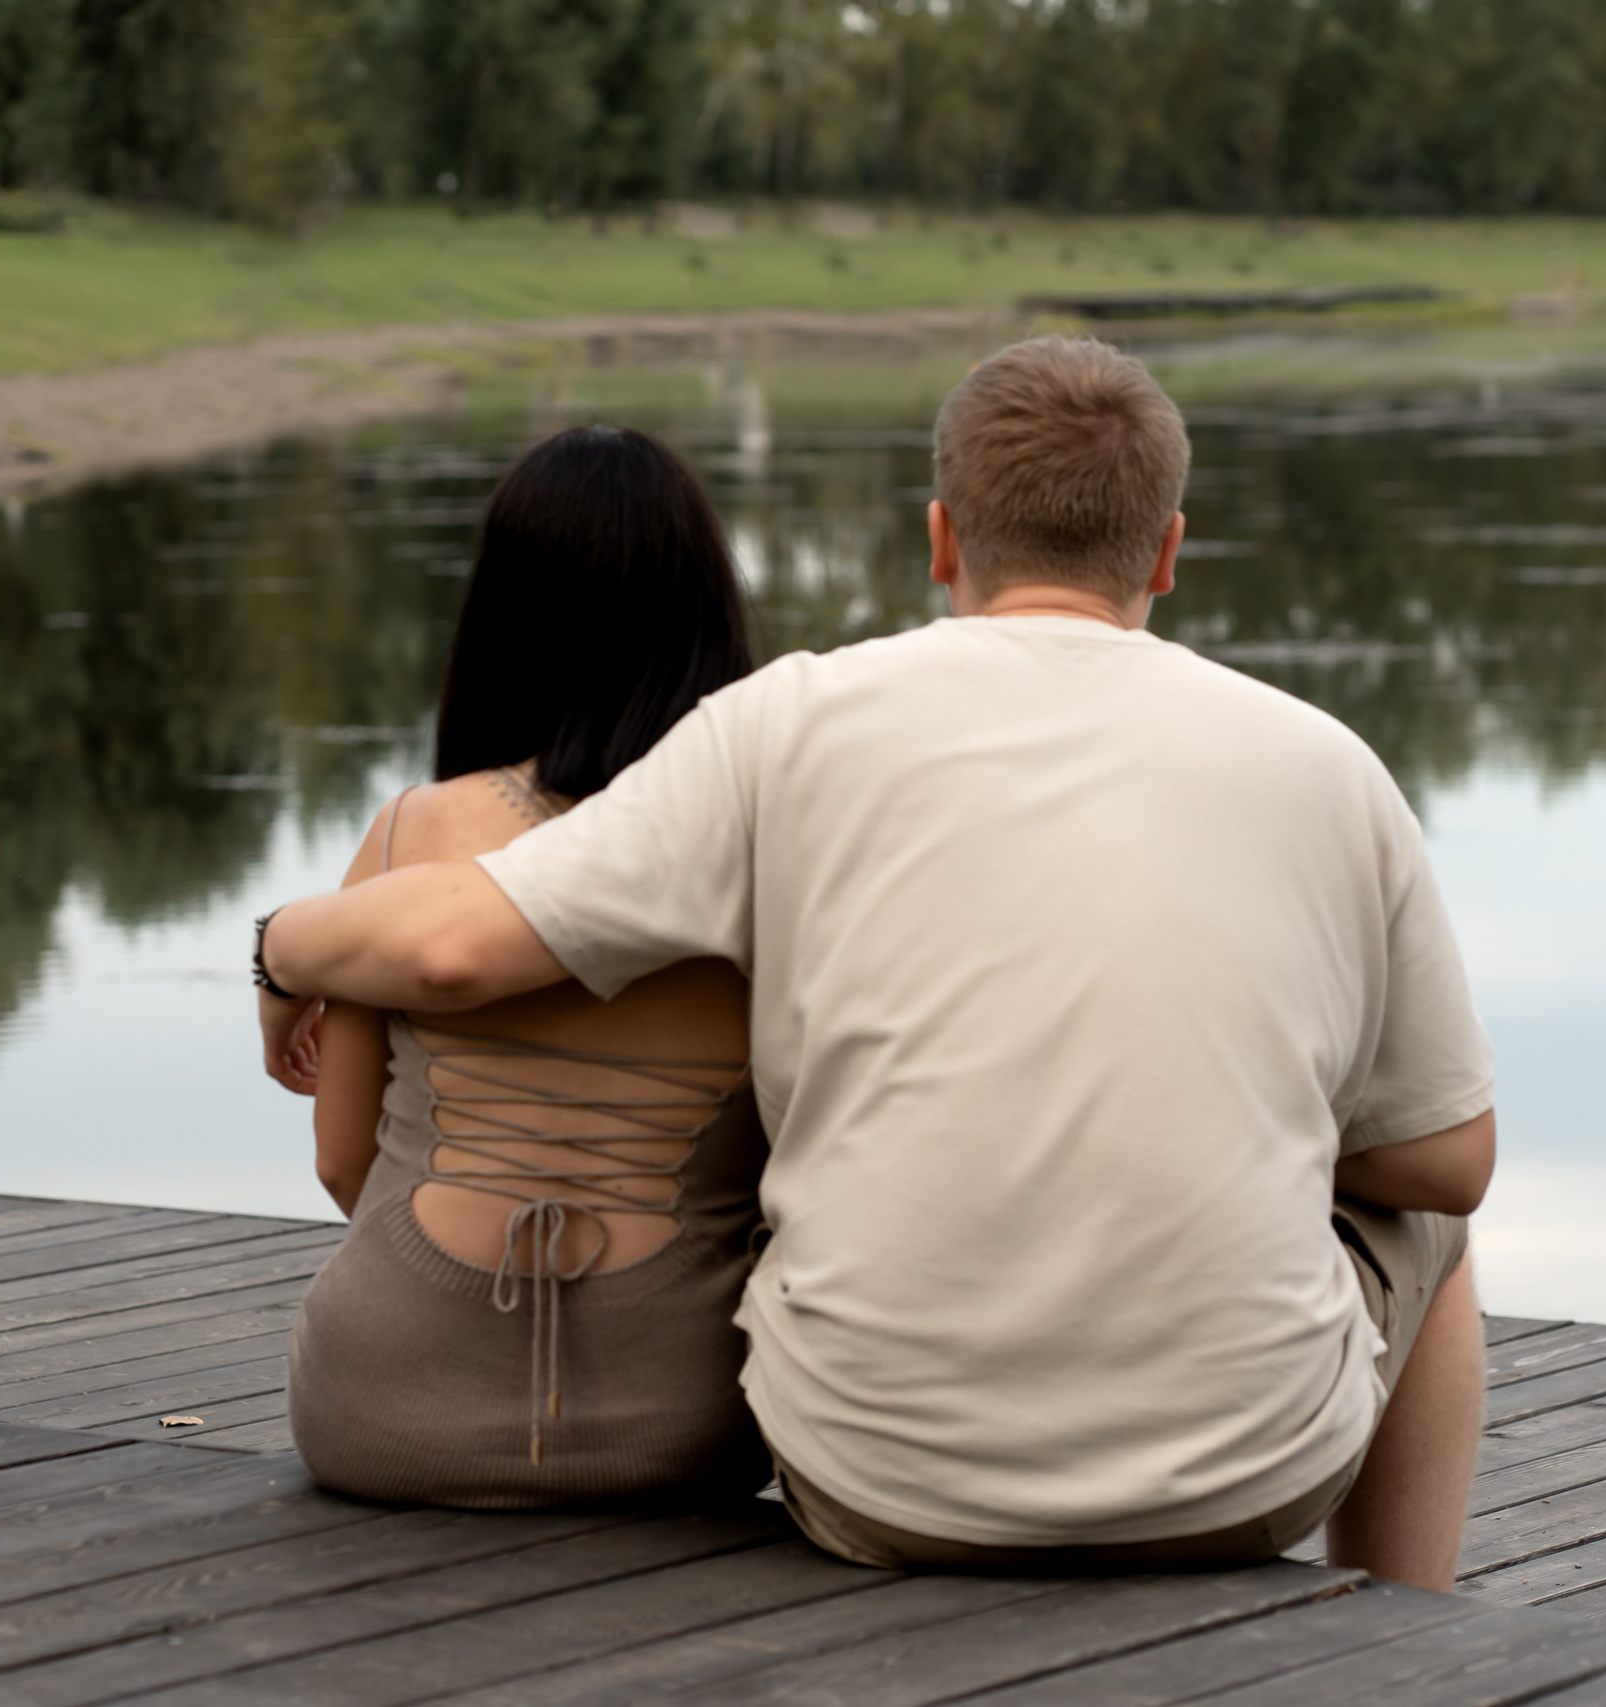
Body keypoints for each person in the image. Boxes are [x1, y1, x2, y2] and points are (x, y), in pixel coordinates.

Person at [255, 338, 1496, 1591]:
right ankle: (1401, 1628)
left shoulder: (784, 722)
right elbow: (1453, 1161)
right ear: (1169, 550)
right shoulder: (1328, 765)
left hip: (870, 1479)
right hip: (1245, 1482)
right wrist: (1233, 1109)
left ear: (942, 536)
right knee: (1432, 1235)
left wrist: (281, 945)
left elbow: (454, 948)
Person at [277, 425, 771, 1509]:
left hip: (380, 1407)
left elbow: (342, 1160)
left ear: (501, 610)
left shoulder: (416, 831)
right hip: (690, 1423)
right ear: (703, 612)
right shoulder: (770, 849)